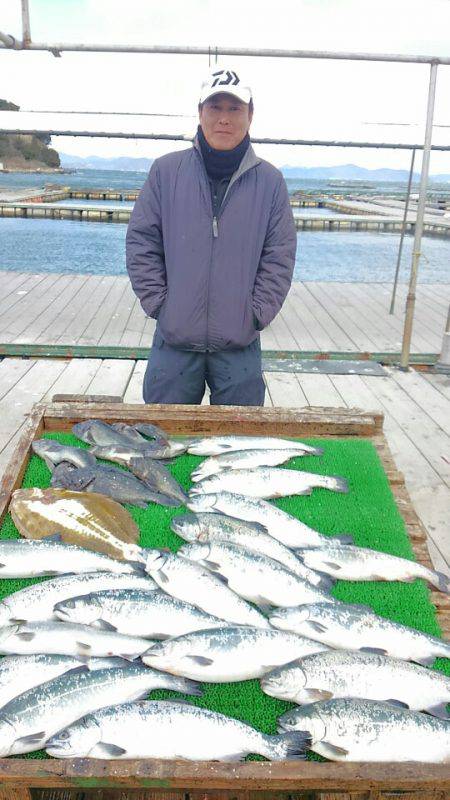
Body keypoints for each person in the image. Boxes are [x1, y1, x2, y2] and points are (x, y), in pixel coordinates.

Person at [126, 66, 296, 406]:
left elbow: (279, 254)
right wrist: (161, 304)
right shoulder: (166, 171)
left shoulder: (270, 181)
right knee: (164, 434)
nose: (224, 119)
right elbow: (142, 242)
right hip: (174, 342)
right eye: (215, 107)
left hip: (239, 344)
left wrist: (256, 313)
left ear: (250, 115)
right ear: (200, 112)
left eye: (235, 109)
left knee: (240, 435)